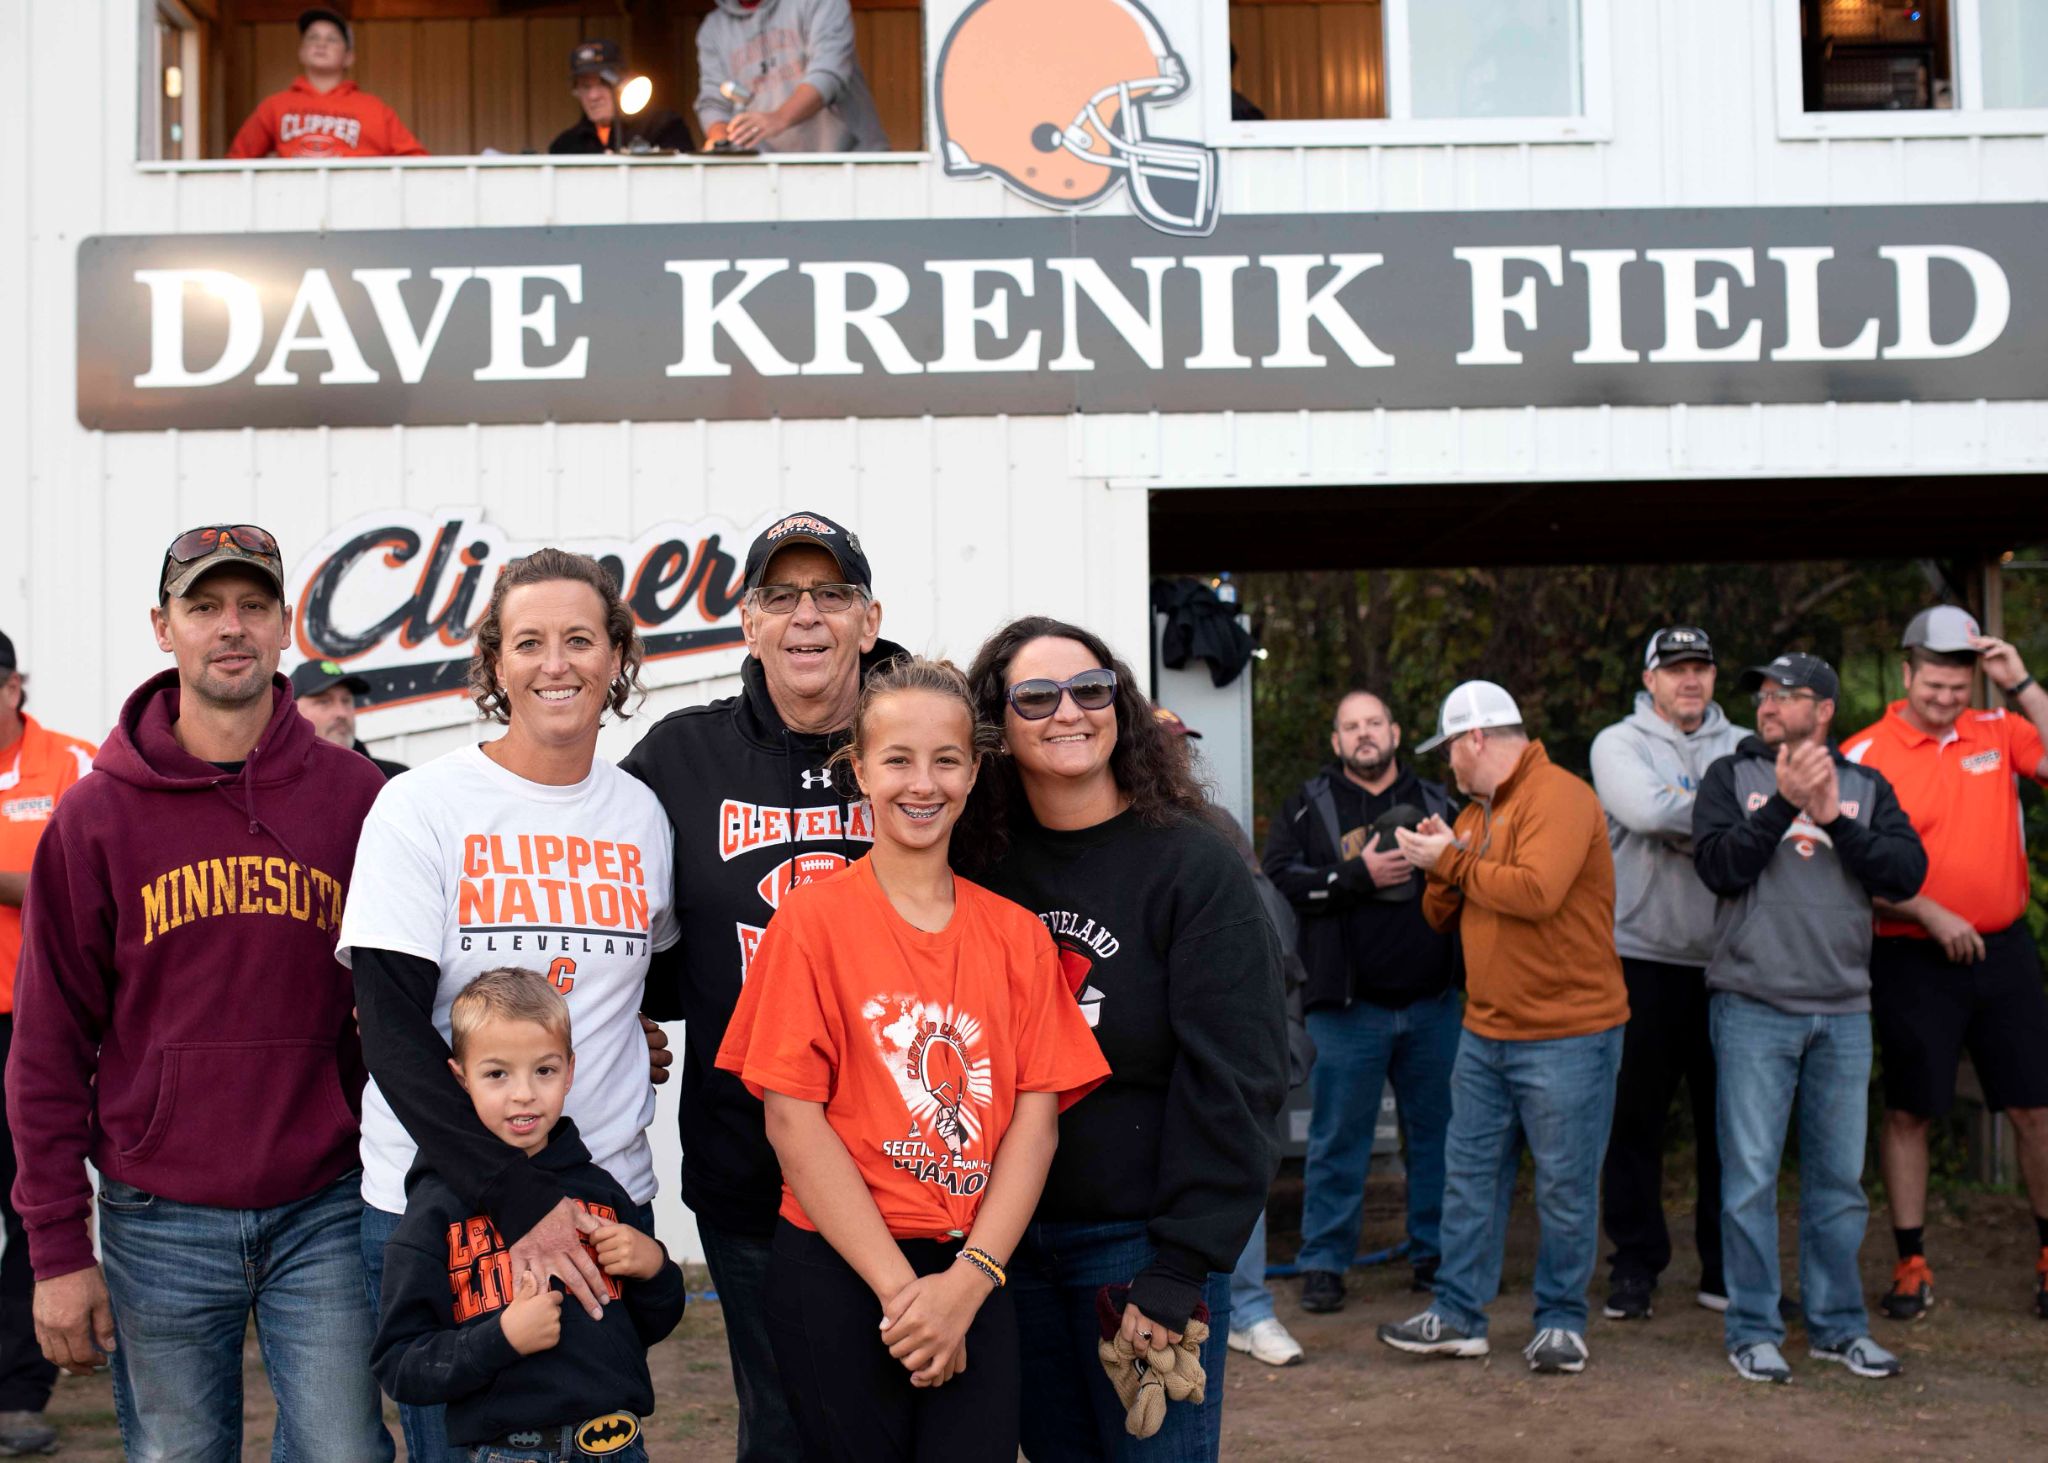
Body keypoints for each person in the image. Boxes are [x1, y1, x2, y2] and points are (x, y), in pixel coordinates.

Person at [6, 524, 391, 1459]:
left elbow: (419, 989)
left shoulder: (359, 798)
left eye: (254, 605)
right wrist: (57, 1248)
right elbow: (48, 1045)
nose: (231, 627)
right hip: (158, 1211)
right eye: (205, 606)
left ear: (284, 625)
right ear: (162, 626)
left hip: (328, 1199)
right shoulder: (95, 816)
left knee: (344, 1449)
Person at [718, 656, 1109, 1460]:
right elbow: (792, 1121)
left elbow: (1035, 1126)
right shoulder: (811, 923)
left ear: (974, 772)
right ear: (860, 769)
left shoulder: (1017, 936)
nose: (922, 783)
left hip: (974, 1267)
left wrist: (966, 1285)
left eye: (946, 759)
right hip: (841, 1265)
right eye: (898, 759)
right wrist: (906, 1297)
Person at [342, 548, 679, 1462]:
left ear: (618, 655)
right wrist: (523, 1198)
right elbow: (393, 1037)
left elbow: (640, 983)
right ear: (494, 661)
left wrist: (640, 1035)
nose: (555, 664)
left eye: (581, 639)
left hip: (604, 1203)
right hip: (447, 1211)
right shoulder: (420, 807)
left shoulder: (642, 815)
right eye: (529, 642)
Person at [955, 617, 1288, 1460]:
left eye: (1091, 689)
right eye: (1037, 696)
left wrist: (1180, 1264)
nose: (1069, 711)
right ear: (996, 724)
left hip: (1140, 1247)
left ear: (1121, 704)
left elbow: (1240, 1075)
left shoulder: (1192, 863)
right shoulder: (975, 867)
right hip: (1003, 1245)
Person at [620, 509, 905, 1463]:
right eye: (780, 596)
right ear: (748, 623)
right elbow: (616, 914)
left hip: (915, 1163)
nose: (806, 615)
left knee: (919, 1417)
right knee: (785, 1426)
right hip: (750, 1167)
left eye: (831, 593)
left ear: (869, 618)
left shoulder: (926, 734)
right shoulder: (679, 757)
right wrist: (612, 1014)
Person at [1375, 681, 1628, 1377]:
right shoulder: (1474, 812)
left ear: (1475, 739)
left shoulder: (1561, 796)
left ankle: (1561, 1321)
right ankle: (1458, 1314)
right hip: (1486, 1031)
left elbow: (1538, 893)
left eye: (1449, 749)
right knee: (1469, 1180)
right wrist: (1441, 864)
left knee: (1565, 1187)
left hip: (1569, 1032)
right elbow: (1439, 916)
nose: (1448, 764)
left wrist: (1452, 860)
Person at [1694, 651, 1925, 1385]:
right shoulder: (1730, 777)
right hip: (1752, 1005)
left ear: (1824, 710)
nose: (1767, 704)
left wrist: (1833, 819)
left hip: (1844, 1011)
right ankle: (1753, 1329)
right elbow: (1718, 867)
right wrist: (1783, 806)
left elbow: (1907, 873)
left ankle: (1837, 1327)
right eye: (1762, 694)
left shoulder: (1866, 785)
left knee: (1838, 1182)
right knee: (1750, 1180)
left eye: (1785, 693)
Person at [372, 968, 685, 1462]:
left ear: (570, 1071)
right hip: (508, 1452)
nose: (524, 1094)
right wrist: (501, 1339)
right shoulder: (435, 1213)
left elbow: (649, 1325)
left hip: (615, 1445)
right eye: (497, 1074)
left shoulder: (601, 1191)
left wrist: (655, 1268)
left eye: (544, 1071)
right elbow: (400, 1366)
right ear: (460, 1079)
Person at [1841, 606, 2048, 1323]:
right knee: (1910, 1110)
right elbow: (1844, 873)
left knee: (2035, 1107)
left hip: (2004, 949)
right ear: (1906, 674)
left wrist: (2021, 683)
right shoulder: (1863, 753)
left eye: (1959, 687)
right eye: (1933, 685)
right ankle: (1911, 1260)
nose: (1945, 699)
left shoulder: (2000, 729)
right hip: (1910, 955)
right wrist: (1926, 910)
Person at [1264, 689, 1460, 1317]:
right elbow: (1279, 879)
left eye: (1374, 723)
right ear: (1337, 741)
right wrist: (1357, 876)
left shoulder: (1438, 801)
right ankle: (1324, 1262)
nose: (1364, 734)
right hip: (1347, 1009)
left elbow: (1473, 871)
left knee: (1438, 1138)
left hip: (1434, 1003)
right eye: (1351, 726)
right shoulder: (1309, 803)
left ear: (1396, 733)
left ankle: (1435, 1255)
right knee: (1337, 1141)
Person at [1590, 627, 1744, 1321]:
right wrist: (1726, 823)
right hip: (1640, 958)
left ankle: (1726, 1269)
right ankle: (1635, 1265)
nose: (1690, 679)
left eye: (1700, 668)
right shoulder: (1617, 743)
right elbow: (1646, 811)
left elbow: (1767, 822)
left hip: (1729, 962)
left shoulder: (1745, 744)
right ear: (1649, 679)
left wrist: (1697, 826)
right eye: (1675, 668)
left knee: (1730, 1126)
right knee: (1635, 1123)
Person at [0, 632, 95, 1459]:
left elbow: (79, 882)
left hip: (30, 1025)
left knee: (29, 1209)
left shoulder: (72, 763)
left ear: (14, 685)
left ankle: (17, 1392)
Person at [226, 8, 428, 161]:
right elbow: (236, 162)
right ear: (301, 52)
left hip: (359, 201)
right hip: (294, 200)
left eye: (332, 39)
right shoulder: (275, 106)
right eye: (312, 37)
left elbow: (418, 163)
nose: (321, 44)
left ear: (349, 57)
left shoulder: (374, 109)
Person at [695, 0, 891, 154]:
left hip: (852, 162)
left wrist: (778, 118)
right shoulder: (712, 29)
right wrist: (721, 140)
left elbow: (829, 72)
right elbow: (713, 102)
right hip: (772, 174)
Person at [549, 40, 696, 155]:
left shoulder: (662, 127)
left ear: (623, 83)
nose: (593, 96)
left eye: (604, 83)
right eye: (585, 87)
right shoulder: (565, 145)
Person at [291, 657, 408, 778]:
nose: (342, 713)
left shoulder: (396, 779)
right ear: (292, 712)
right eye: (324, 702)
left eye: (346, 700)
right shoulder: (281, 783)